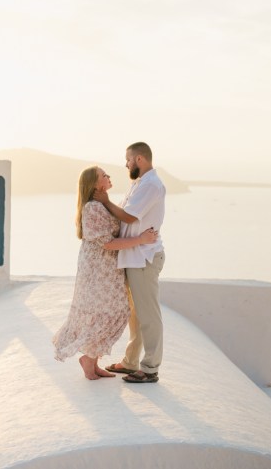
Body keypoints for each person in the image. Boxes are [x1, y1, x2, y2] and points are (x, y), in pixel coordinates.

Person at [52, 166, 158, 380]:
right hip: (98, 269)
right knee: (106, 312)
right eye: (104, 175)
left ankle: (93, 360)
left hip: (108, 268)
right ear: (94, 184)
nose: (108, 177)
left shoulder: (102, 205)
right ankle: (88, 360)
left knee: (112, 311)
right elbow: (108, 243)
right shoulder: (92, 208)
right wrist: (141, 240)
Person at [94, 141, 166, 384]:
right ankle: (130, 362)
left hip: (144, 258)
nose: (125, 164)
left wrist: (104, 200)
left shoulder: (151, 185)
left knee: (148, 315)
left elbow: (128, 216)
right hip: (134, 257)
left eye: (128, 159)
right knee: (136, 315)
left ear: (139, 159)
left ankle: (150, 368)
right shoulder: (140, 184)